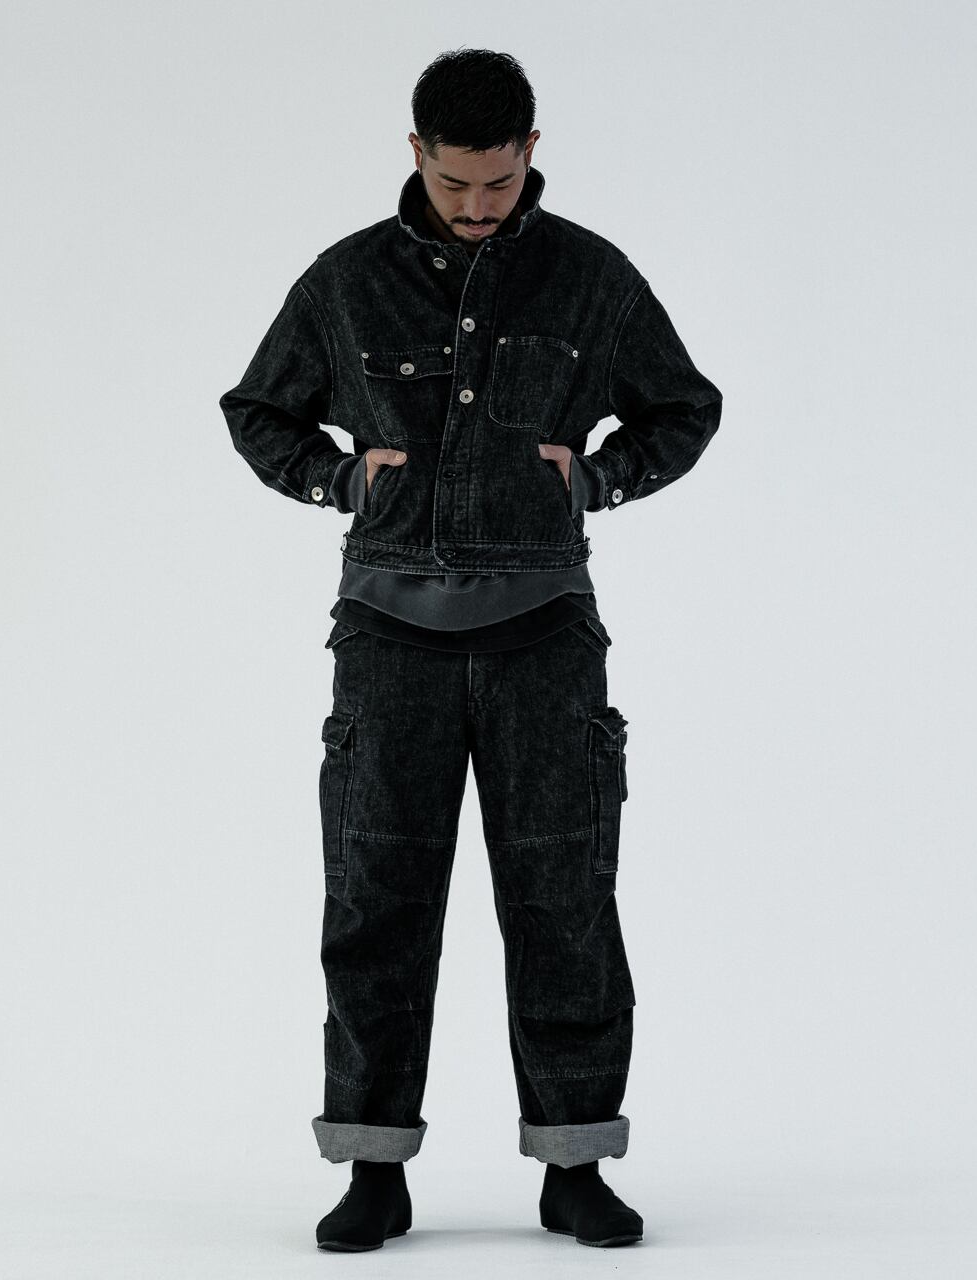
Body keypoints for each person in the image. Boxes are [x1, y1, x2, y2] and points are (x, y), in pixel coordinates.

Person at [219, 47, 722, 1252]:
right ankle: (373, 1166)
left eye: (498, 182)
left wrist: (598, 477)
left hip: (545, 636)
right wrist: (338, 478)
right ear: (415, 154)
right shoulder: (347, 283)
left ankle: (574, 1163)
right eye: (454, 183)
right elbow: (257, 409)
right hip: (387, 640)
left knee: (564, 898)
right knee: (376, 900)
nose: (478, 205)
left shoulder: (590, 278)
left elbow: (684, 405)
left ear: (531, 152)